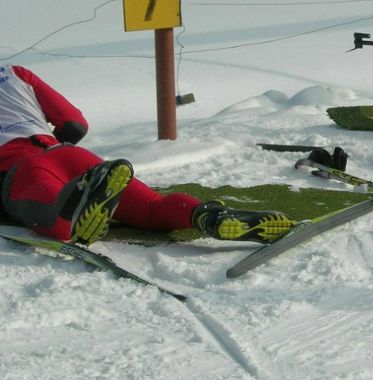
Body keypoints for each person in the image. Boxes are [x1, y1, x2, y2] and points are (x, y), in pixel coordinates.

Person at [0, 64, 294, 245]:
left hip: (20, 171)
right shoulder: (15, 73)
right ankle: (207, 216)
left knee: (56, 219)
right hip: (69, 155)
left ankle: (77, 207)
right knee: (153, 206)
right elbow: (75, 124)